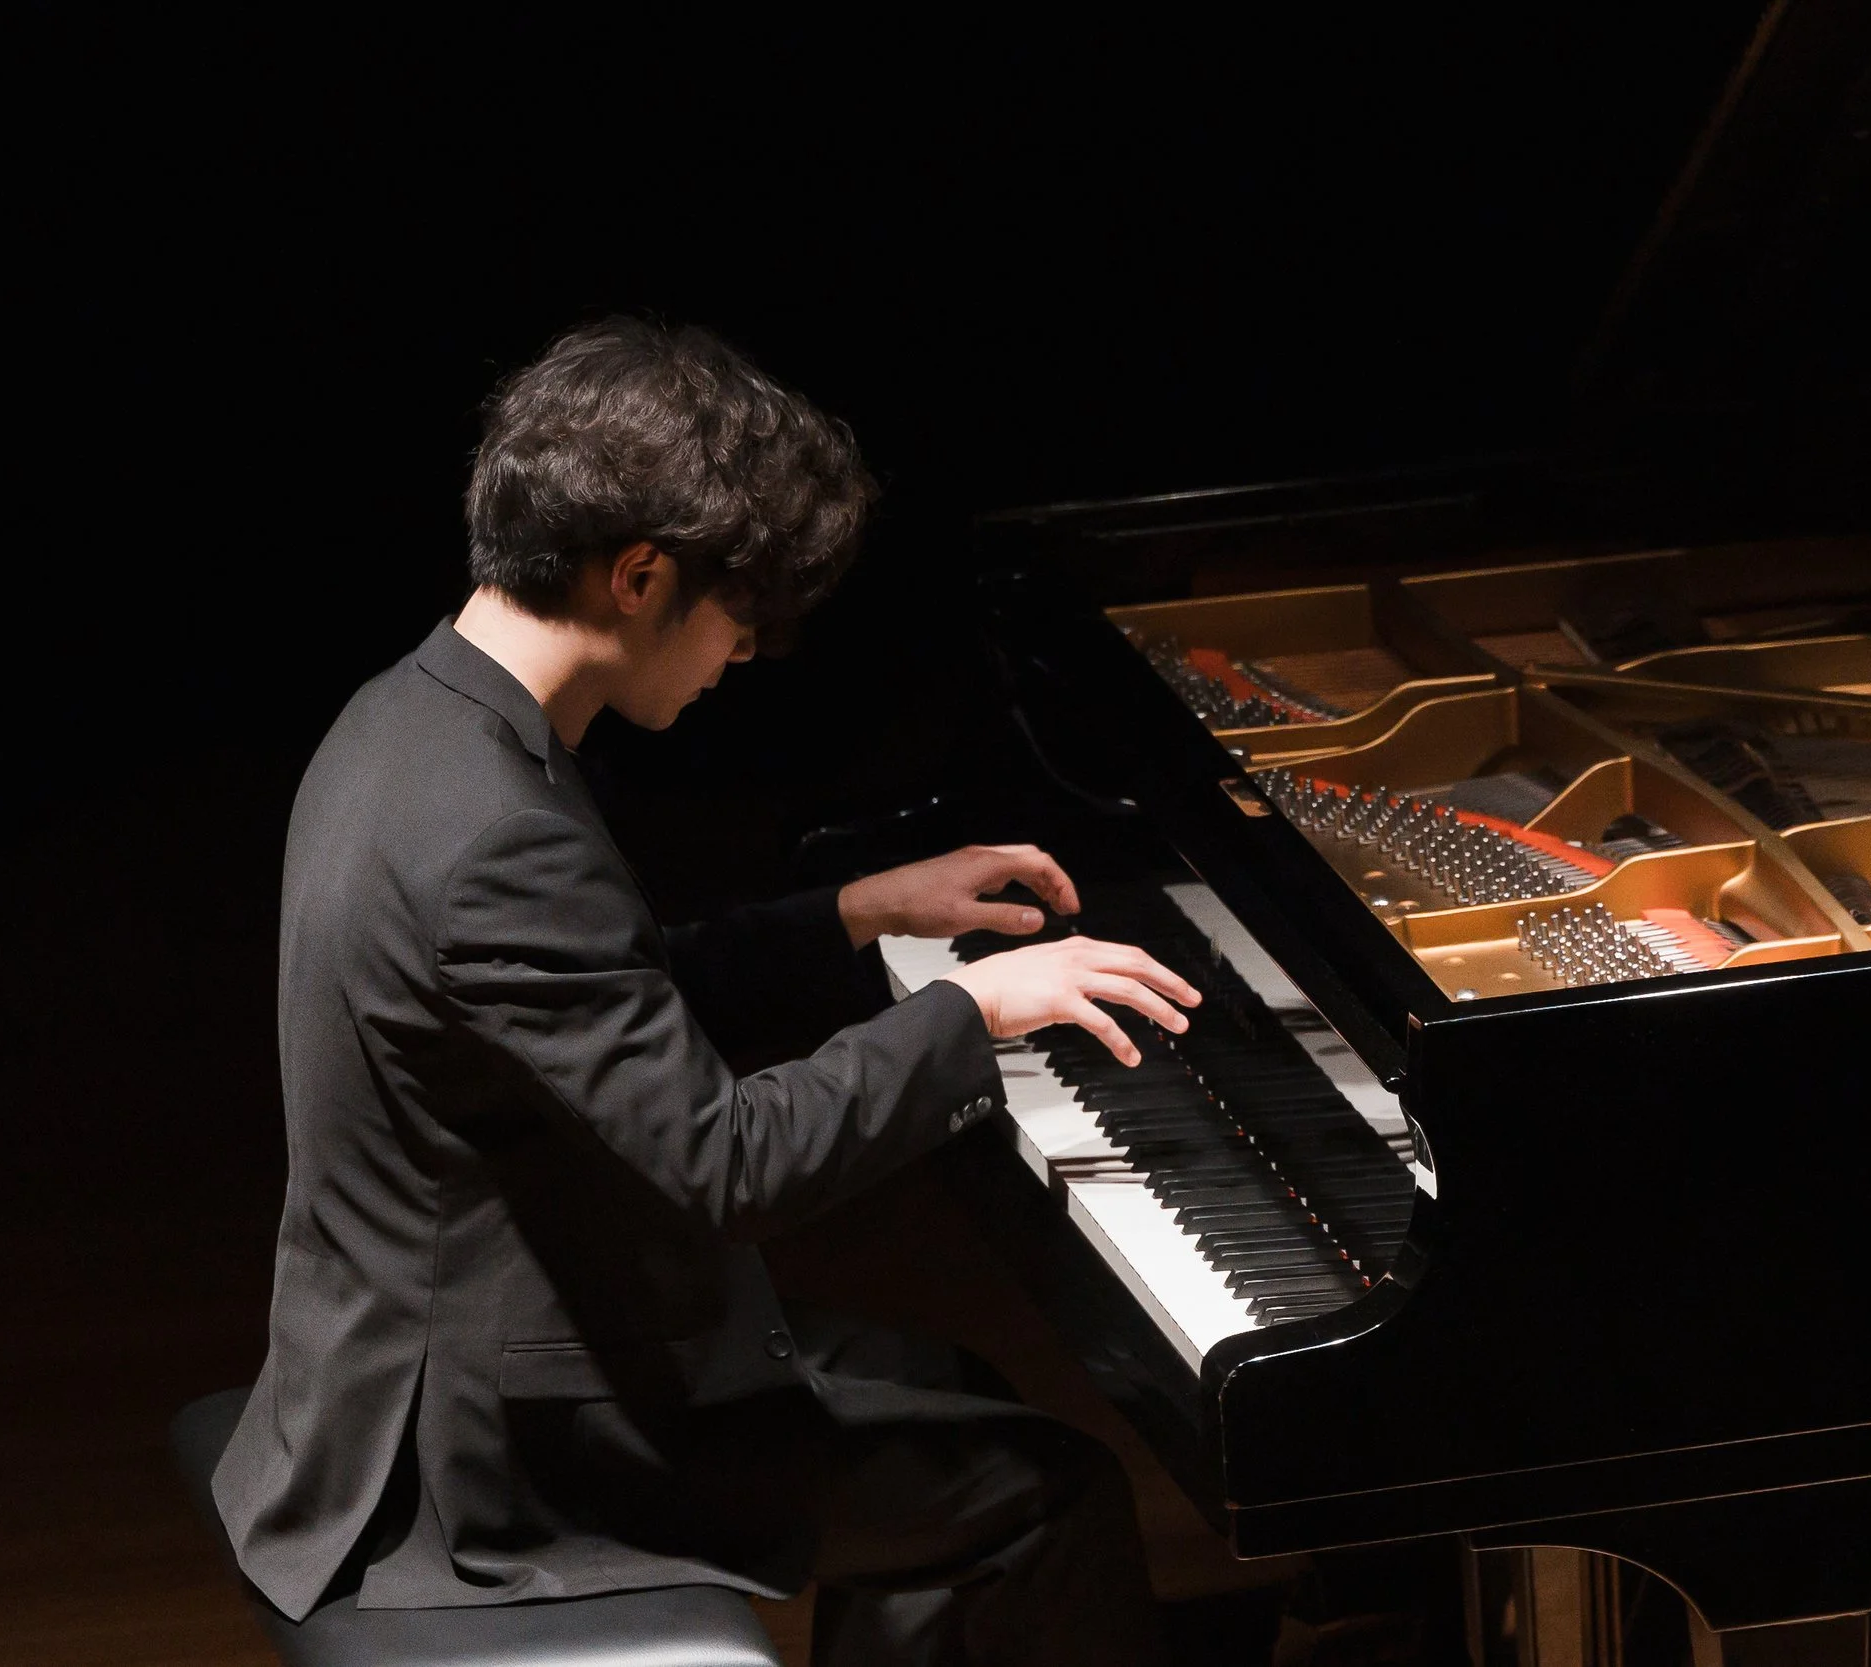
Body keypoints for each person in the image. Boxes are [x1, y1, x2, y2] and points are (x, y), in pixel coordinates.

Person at [211, 316, 1197, 1665]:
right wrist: (975, 1012)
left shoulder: (409, 720)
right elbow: (729, 1165)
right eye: (746, 615)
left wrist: (856, 913)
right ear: (639, 575)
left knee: (955, 1392)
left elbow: (596, 1008)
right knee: (1048, 1495)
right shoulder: (497, 830)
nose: (751, 653)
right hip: (501, 1450)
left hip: (458, 1341)